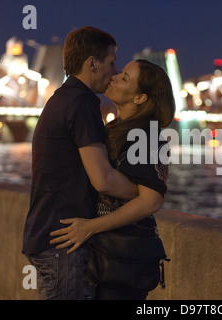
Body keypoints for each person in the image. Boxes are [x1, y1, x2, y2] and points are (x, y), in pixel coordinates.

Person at [22, 26, 138, 300]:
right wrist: (145, 193)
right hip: (64, 242)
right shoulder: (81, 102)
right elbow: (103, 179)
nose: (115, 69)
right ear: (92, 63)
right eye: (112, 62)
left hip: (49, 234)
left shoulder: (61, 98)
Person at [49, 59, 176, 300]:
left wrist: (88, 228)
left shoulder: (147, 136)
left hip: (124, 260)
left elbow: (151, 201)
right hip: (103, 254)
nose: (115, 76)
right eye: (120, 72)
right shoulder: (114, 129)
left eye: (125, 78)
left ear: (140, 98)